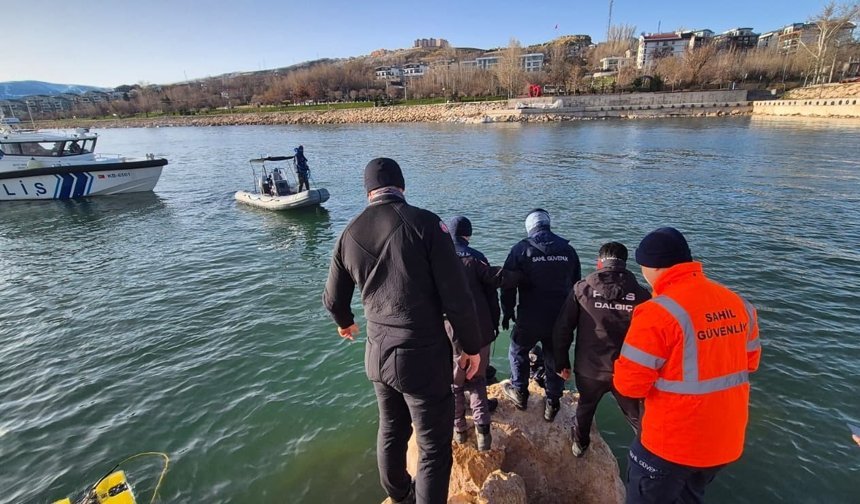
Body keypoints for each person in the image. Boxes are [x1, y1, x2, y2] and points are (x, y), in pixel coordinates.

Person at [323, 158, 482, 504]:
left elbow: (333, 300)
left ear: (368, 193)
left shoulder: (348, 234)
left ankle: (399, 494)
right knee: (434, 449)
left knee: (391, 430)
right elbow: (457, 297)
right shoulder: (426, 224)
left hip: (377, 354)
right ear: (402, 186)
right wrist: (470, 346)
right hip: (422, 357)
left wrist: (345, 323)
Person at [613, 227, 761, 504]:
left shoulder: (657, 313)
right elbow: (750, 363)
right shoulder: (739, 304)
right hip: (723, 442)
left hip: (671, 444)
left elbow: (629, 385)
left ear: (651, 267)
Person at [552, 242, 651, 458]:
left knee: (585, 407)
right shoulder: (642, 295)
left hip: (590, 369)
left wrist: (561, 363)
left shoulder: (582, 289)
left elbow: (563, 328)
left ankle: (580, 445)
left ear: (599, 262)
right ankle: (648, 456)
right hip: (627, 371)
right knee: (637, 418)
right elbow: (653, 337)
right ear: (624, 264)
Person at [446, 215, 519, 452]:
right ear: (468, 235)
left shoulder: (438, 257)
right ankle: (483, 433)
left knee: (454, 382)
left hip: (448, 330)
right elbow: (491, 292)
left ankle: (458, 430)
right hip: (479, 328)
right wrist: (495, 322)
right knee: (477, 378)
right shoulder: (477, 258)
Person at [500, 208, 581, 422]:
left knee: (518, 351)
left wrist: (507, 311)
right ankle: (553, 403)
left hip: (530, 316)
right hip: (559, 317)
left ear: (529, 228)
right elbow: (577, 287)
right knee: (554, 356)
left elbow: (507, 285)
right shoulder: (568, 250)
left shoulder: (521, 249)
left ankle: (520, 393)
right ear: (548, 225)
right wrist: (574, 318)